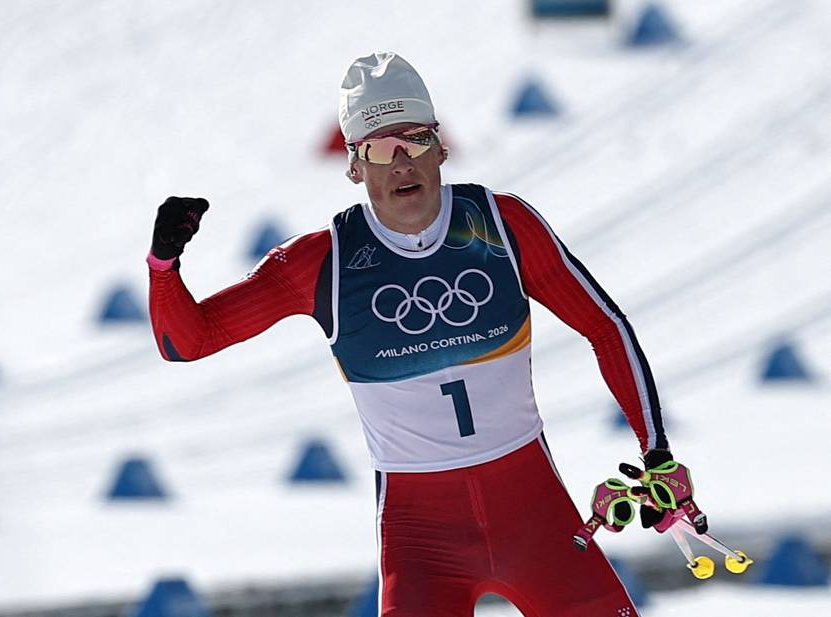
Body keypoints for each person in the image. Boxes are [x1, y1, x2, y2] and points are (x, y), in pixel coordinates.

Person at [147, 52, 682, 616]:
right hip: (422, 545)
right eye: (379, 148)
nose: (401, 162)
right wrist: (164, 265)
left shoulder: (501, 225)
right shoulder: (321, 264)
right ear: (354, 166)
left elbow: (604, 326)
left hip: (537, 523)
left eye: (416, 141)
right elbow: (188, 341)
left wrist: (657, 453)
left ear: (442, 146)